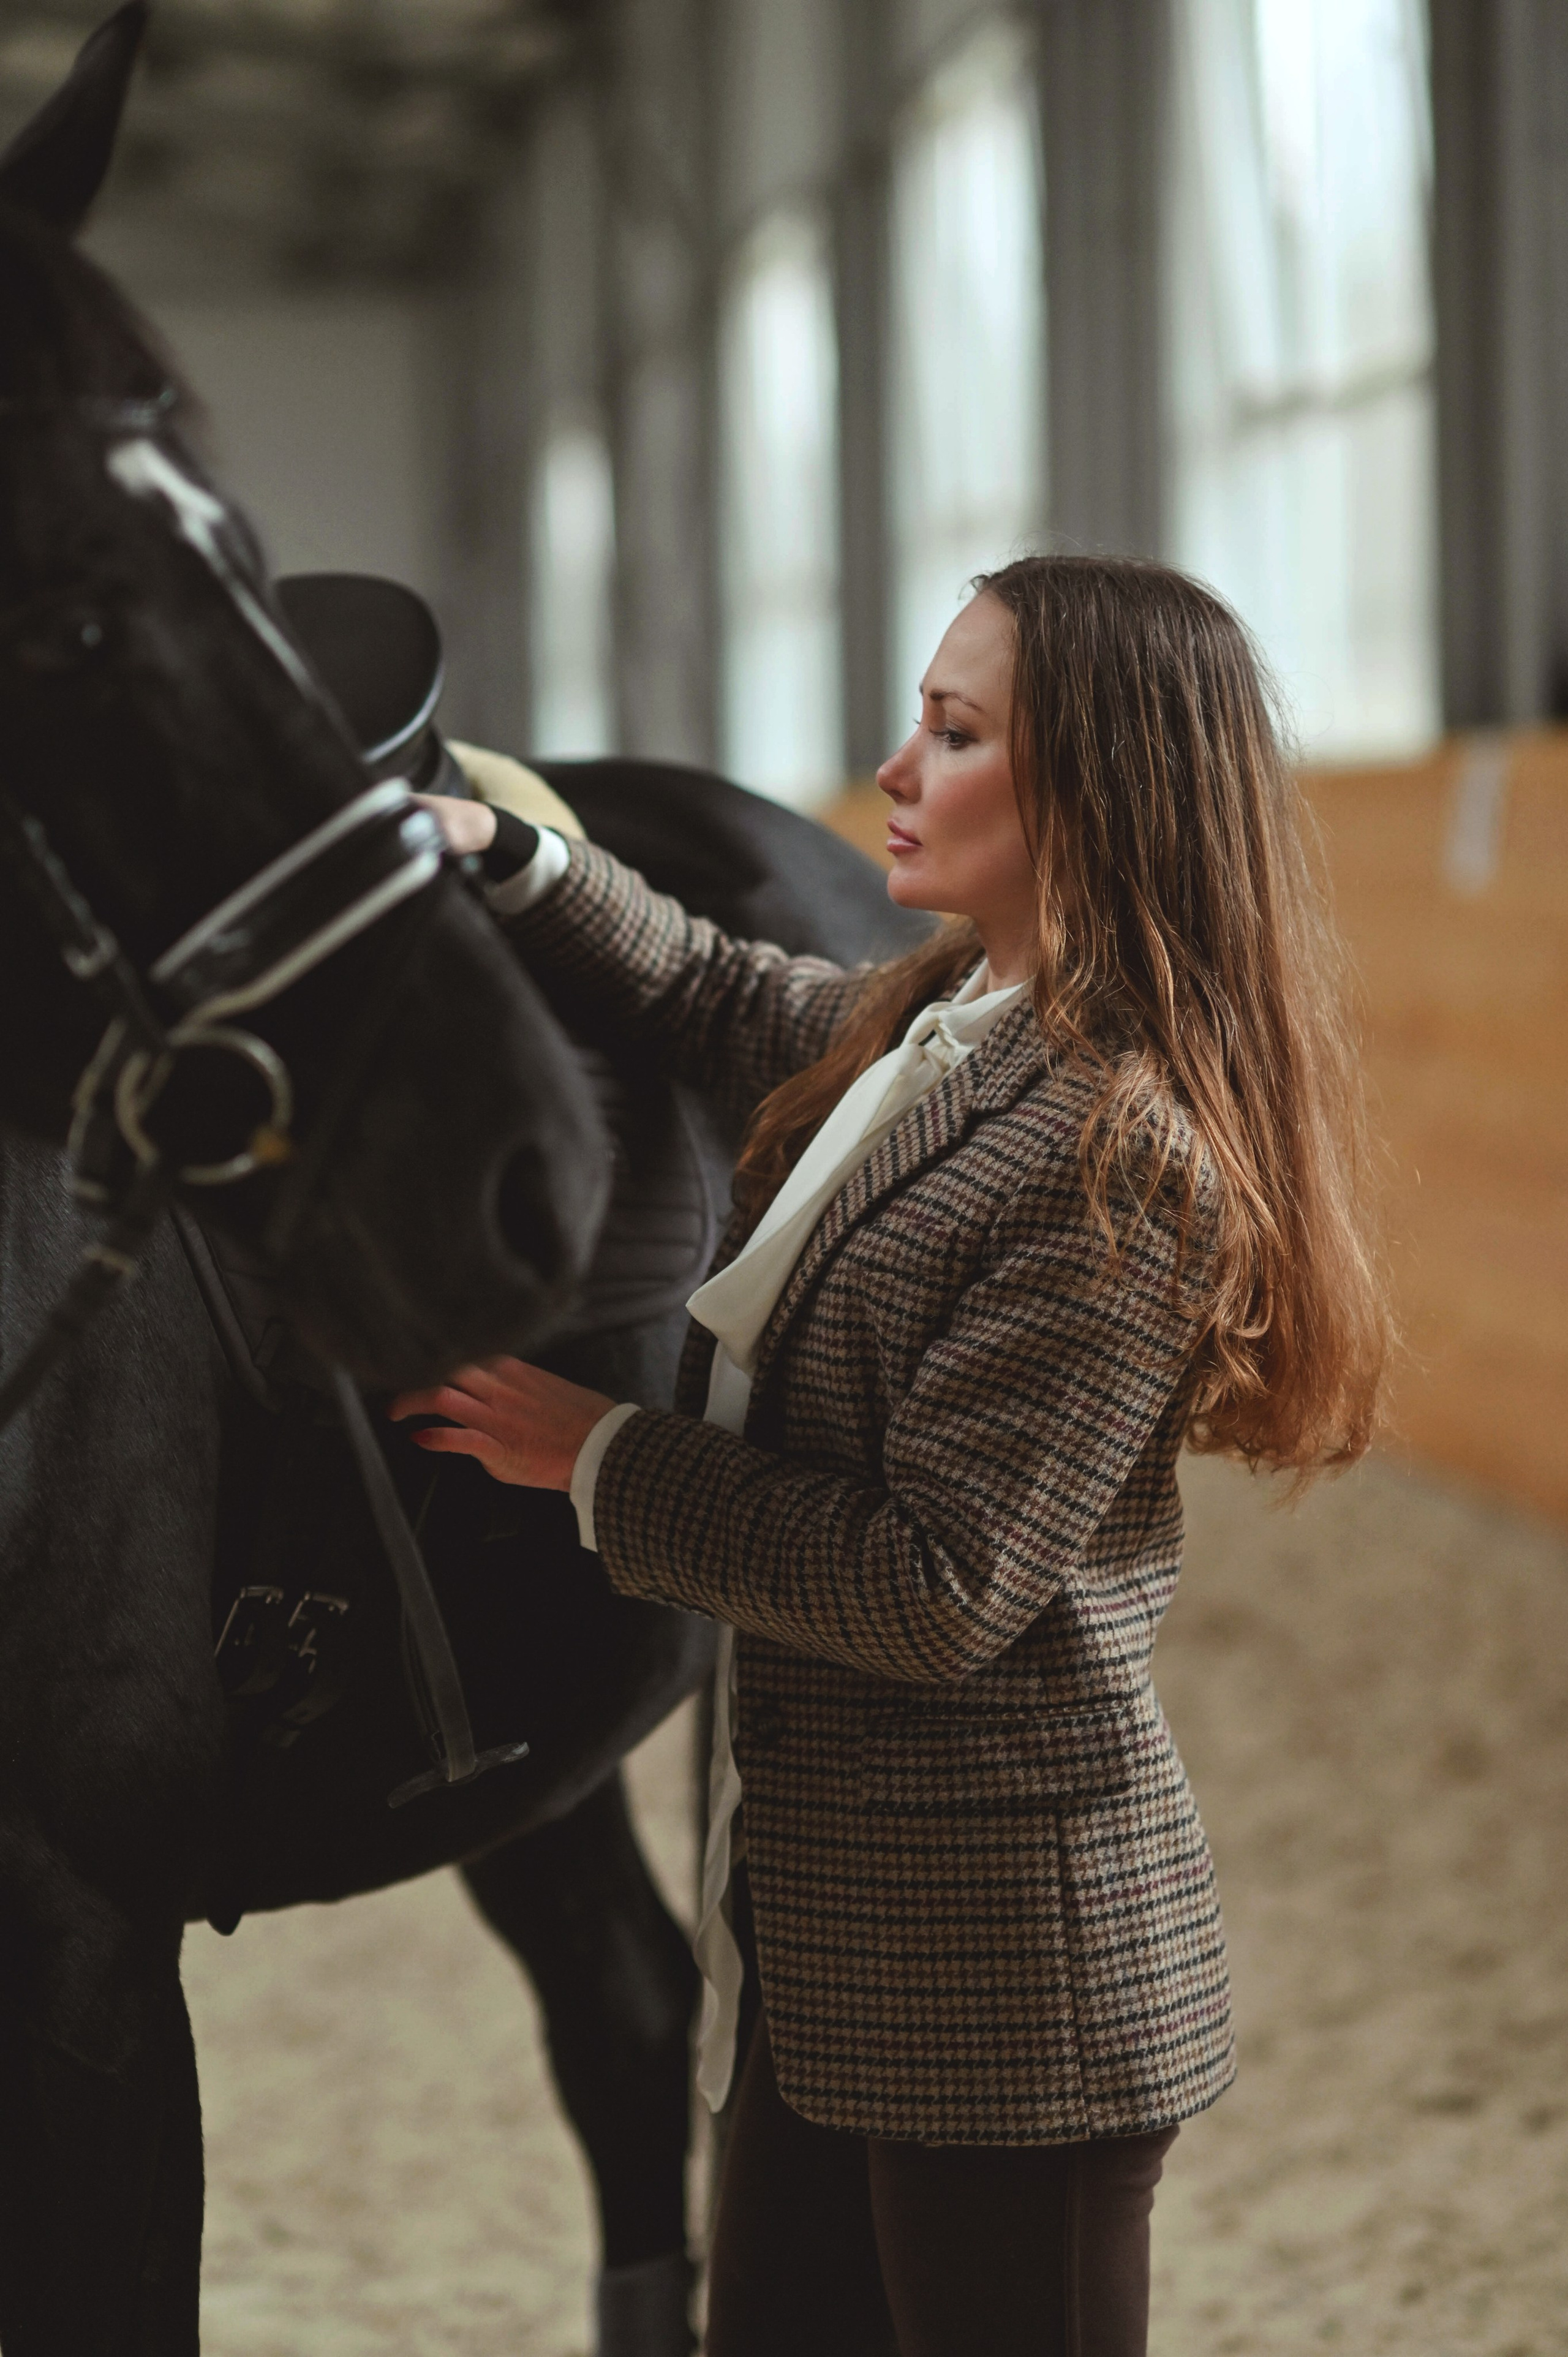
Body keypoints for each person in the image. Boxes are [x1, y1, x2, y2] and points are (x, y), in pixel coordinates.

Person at [397, 556, 1390, 2357]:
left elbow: (936, 1588)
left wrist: (597, 1456)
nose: (895, 769)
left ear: (1100, 786)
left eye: (955, 733)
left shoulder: (1125, 1158)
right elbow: (714, 992)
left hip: (1010, 1994)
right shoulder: (953, 1023)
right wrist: (511, 852)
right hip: (833, 1943)